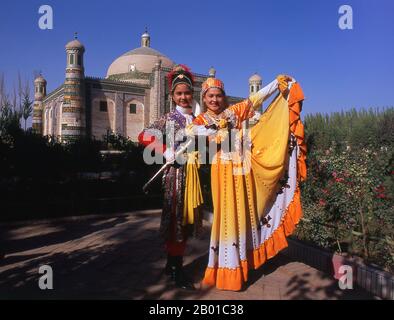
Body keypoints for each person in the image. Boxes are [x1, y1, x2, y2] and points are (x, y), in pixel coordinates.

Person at [187, 74, 306, 291]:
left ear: (223, 97)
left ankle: (240, 266)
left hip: (241, 171)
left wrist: (277, 84)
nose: (214, 100)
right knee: (226, 217)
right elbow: (193, 132)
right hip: (221, 171)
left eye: (218, 95)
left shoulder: (233, 112)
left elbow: (256, 99)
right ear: (204, 99)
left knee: (242, 214)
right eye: (210, 96)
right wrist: (216, 129)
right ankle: (224, 269)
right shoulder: (201, 121)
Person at [138, 64, 208, 290]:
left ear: (192, 93)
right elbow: (144, 135)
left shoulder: (200, 120)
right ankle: (177, 271)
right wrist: (165, 150)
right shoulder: (167, 118)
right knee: (177, 221)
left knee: (186, 223)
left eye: (187, 92)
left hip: (194, 176)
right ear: (172, 95)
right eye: (179, 93)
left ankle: (171, 263)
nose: (183, 97)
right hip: (176, 177)